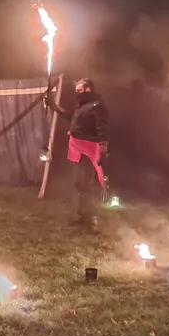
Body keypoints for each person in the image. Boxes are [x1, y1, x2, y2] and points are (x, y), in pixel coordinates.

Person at [47, 78, 108, 231]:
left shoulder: (97, 105)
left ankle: (90, 217)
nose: (77, 94)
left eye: (79, 91)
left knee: (84, 183)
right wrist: (54, 106)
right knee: (78, 182)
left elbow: (102, 126)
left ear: (88, 90)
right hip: (77, 147)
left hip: (89, 148)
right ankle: (83, 215)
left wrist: (103, 145)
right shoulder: (81, 106)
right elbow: (72, 117)